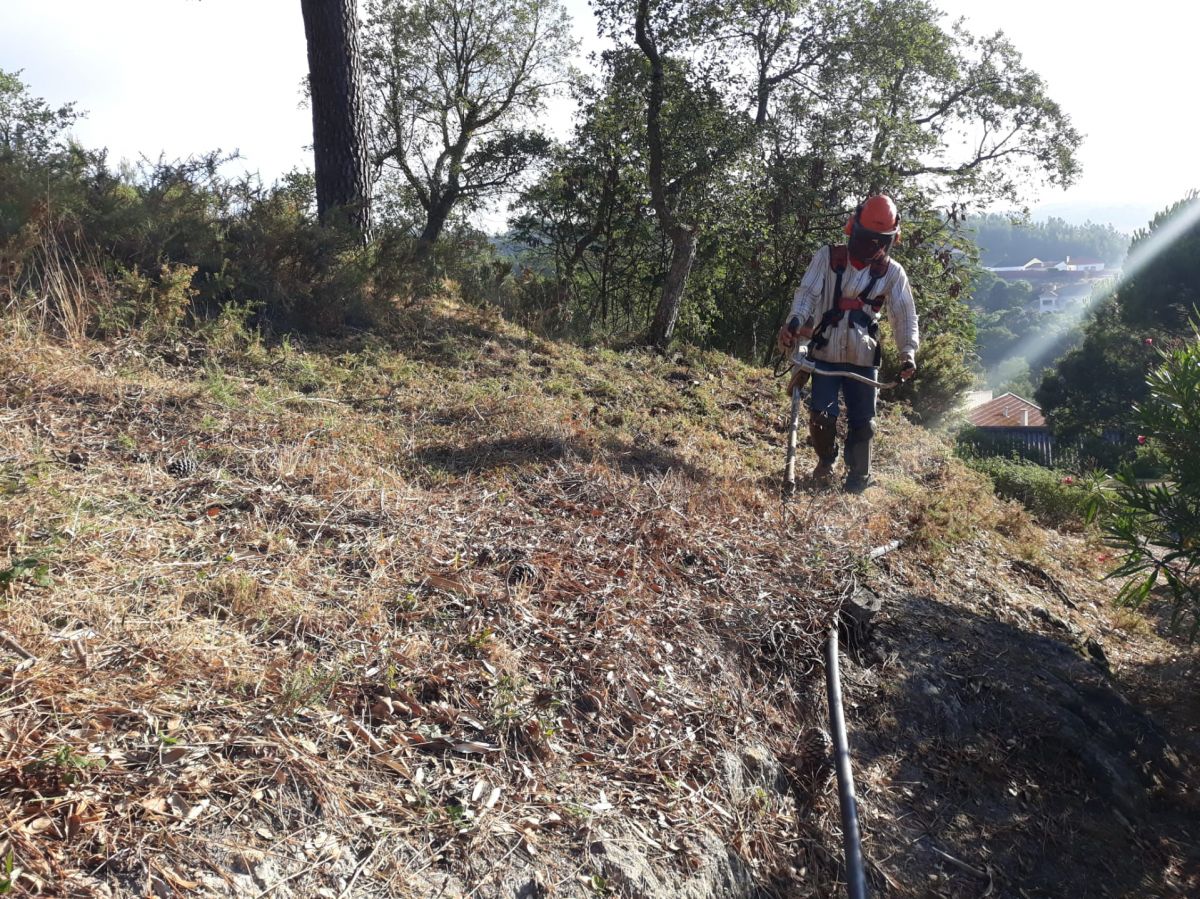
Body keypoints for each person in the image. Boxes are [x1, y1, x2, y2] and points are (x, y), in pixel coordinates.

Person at [776, 194, 919, 492]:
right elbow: (807, 294)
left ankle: (857, 480)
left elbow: (904, 315)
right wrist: (794, 321)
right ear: (854, 229)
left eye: (880, 241)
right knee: (821, 416)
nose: (873, 247)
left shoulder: (893, 273)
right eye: (868, 238)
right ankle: (827, 459)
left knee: (864, 424)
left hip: (864, 358)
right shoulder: (827, 258)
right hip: (825, 353)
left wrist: (908, 353)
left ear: (890, 239)